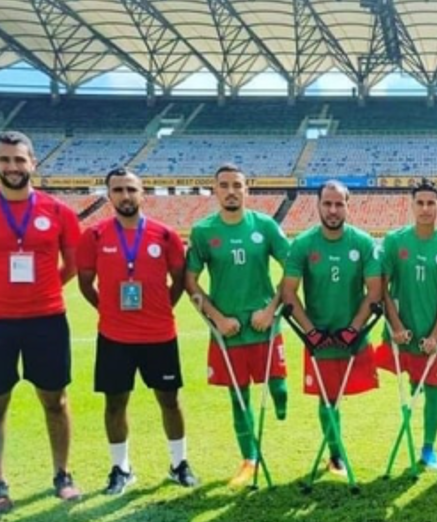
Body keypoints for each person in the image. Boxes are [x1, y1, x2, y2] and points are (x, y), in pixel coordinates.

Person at [0, 131, 82, 514]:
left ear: (33, 163)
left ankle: (62, 474)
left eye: (20, 159)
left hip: (47, 320)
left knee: (55, 400)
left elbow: (72, 265)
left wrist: (43, 289)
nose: (13, 167)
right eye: (5, 160)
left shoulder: (58, 211)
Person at [77, 167, 198, 495]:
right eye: (118, 190)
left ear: (143, 193)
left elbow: (179, 281)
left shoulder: (165, 235)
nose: (126, 196)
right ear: (108, 195)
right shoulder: (94, 236)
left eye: (131, 189)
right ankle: (121, 468)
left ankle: (179, 464)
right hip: (114, 337)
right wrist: (106, 310)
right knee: (115, 403)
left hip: (160, 335)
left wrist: (162, 309)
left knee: (170, 400)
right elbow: (85, 283)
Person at [185, 163, 289, 488]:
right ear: (215, 190)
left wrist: (271, 310)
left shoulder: (266, 226)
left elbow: (293, 269)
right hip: (228, 331)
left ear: (247, 189)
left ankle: (281, 404)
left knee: (279, 388)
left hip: (264, 327)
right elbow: (190, 281)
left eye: (237, 185)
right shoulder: (203, 232)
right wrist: (217, 318)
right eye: (224, 185)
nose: (231, 191)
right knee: (238, 397)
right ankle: (249, 459)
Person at [281, 180, 383, 477]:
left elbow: (375, 291)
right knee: (327, 399)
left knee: (340, 397)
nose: (333, 210)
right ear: (318, 205)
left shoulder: (363, 242)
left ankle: (336, 454)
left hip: (353, 340)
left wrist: (353, 328)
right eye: (327, 203)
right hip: (320, 341)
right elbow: (289, 293)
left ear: (348, 206)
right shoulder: (303, 244)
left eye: (339, 204)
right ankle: (336, 455)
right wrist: (311, 332)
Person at [374, 178, 437, 470]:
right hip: (403, 335)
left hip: (434, 336)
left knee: (434, 390)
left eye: (430, 203)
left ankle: (428, 448)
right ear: (411, 205)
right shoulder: (395, 240)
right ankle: (414, 388)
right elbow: (383, 288)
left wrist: (436, 335)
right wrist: (396, 326)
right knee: (411, 389)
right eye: (420, 203)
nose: (425, 208)